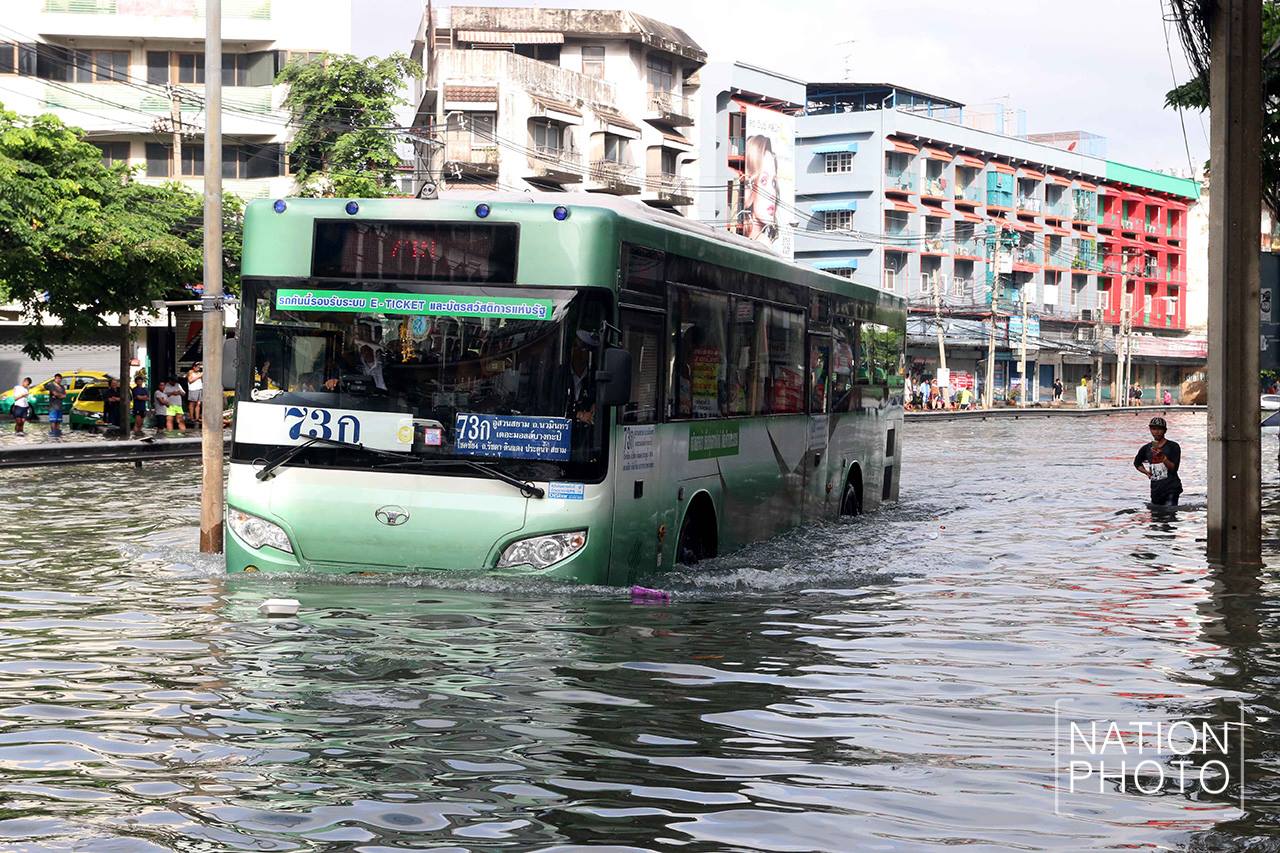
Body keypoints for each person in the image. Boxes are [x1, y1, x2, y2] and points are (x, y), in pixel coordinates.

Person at [1134, 416, 1182, 507]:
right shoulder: (1146, 448)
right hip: (1156, 489)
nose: (1157, 432)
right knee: (1156, 517)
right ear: (1150, 430)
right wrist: (1146, 472)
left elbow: (1174, 468)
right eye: (1154, 429)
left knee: (1169, 514)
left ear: (1165, 430)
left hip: (1171, 487)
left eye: (1160, 429)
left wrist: (1162, 457)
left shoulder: (1173, 446)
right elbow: (1137, 463)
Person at [740, 135, 780, 247]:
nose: (773, 193)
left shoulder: (764, 242)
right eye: (763, 181)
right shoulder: (756, 243)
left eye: (773, 182)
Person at [46, 373, 66, 437]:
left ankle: (57, 433)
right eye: (57, 378)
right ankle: (53, 433)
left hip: (59, 406)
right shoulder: (51, 385)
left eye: (60, 379)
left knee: (58, 421)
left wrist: (58, 395)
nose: (59, 380)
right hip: (53, 407)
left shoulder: (62, 387)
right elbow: (55, 393)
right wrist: (59, 395)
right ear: (55, 379)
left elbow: (64, 396)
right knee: (53, 421)